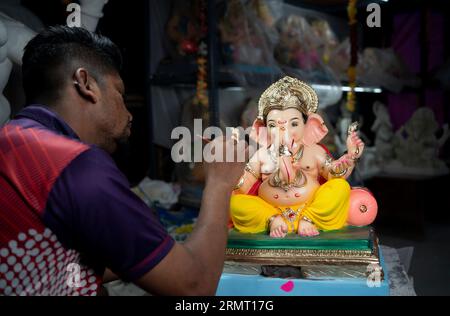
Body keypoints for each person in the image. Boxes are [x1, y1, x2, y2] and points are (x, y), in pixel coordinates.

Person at [0, 25, 246, 296]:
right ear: (86, 84)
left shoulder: (12, 139)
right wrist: (220, 183)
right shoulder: (76, 164)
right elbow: (195, 287)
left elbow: (47, 263)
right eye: (120, 94)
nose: (129, 114)